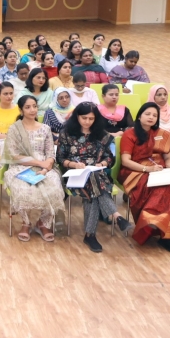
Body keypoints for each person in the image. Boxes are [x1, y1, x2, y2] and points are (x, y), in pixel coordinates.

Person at [57, 103, 130, 252]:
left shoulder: (102, 134)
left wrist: (102, 163)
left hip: (97, 174)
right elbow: (60, 158)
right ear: (77, 117)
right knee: (94, 182)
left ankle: (90, 235)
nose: (87, 121)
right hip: (75, 175)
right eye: (84, 118)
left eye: (91, 118)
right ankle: (115, 215)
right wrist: (73, 164)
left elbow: (110, 158)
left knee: (93, 186)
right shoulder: (66, 133)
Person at [118, 102, 170, 252]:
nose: (151, 117)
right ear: (139, 116)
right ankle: (149, 225)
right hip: (135, 171)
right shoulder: (130, 134)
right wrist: (148, 169)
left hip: (159, 168)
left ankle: (167, 235)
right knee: (158, 187)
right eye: (148, 114)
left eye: (155, 115)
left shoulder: (161, 134)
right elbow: (126, 161)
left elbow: (167, 157)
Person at [3, 96, 65, 243]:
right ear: (21, 110)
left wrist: (46, 166)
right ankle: (26, 223)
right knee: (22, 189)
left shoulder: (45, 128)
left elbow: (50, 153)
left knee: (55, 187)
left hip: (45, 167)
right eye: (28, 107)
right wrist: (39, 162)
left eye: (34, 106)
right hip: (20, 167)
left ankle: (43, 223)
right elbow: (14, 155)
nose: (32, 110)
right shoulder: (15, 129)